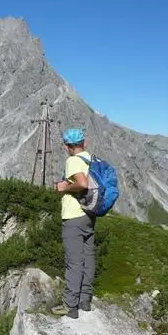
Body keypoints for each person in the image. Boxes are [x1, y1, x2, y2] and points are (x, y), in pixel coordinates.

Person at [51, 128, 96, 319]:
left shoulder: (73, 160)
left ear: (66, 146)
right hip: (88, 214)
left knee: (74, 262)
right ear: (84, 143)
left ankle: (70, 306)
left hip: (73, 216)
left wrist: (63, 187)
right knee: (88, 257)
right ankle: (84, 301)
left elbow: (82, 183)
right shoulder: (90, 159)